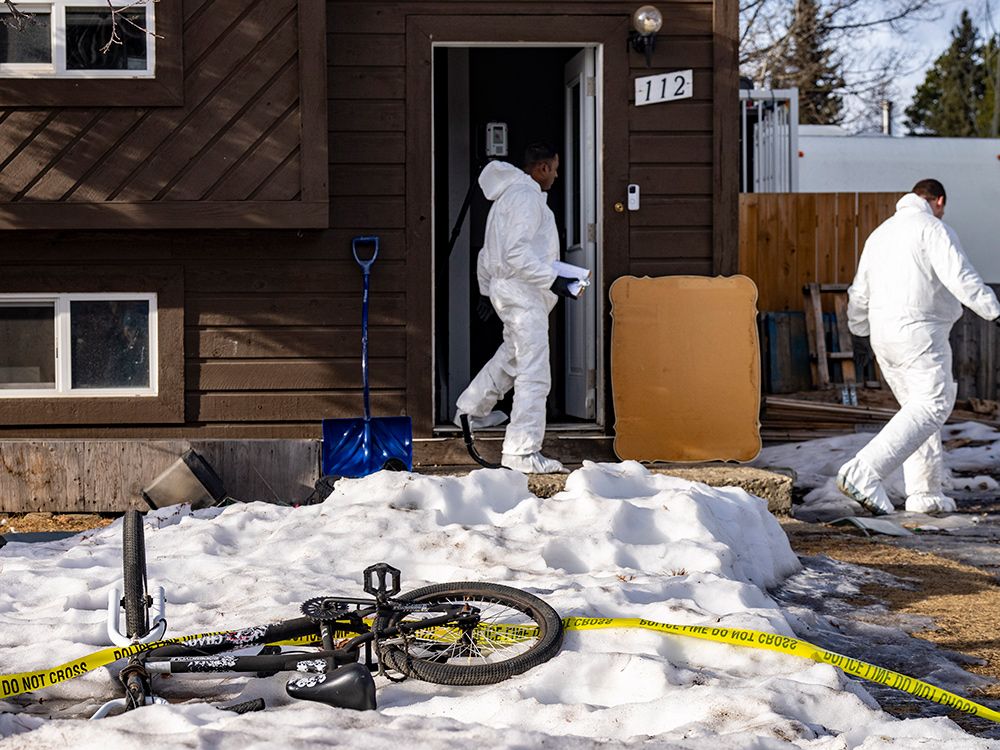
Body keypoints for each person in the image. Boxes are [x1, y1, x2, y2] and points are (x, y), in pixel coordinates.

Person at [836, 179, 1000, 515]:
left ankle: (925, 493)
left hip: (884, 335)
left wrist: (859, 330)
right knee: (933, 404)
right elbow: (961, 275)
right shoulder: (932, 229)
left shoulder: (879, 235)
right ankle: (864, 471)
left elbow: (859, 292)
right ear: (939, 201)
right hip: (921, 332)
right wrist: (994, 311)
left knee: (917, 411)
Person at [454, 143, 574, 474]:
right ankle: (522, 451)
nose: (557, 175)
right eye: (555, 167)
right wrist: (554, 279)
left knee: (512, 356)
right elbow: (517, 254)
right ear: (543, 168)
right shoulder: (526, 197)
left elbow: (487, 254)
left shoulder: (507, 198)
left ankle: (470, 409)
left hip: (509, 289)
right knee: (534, 371)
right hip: (523, 293)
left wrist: (485, 292)